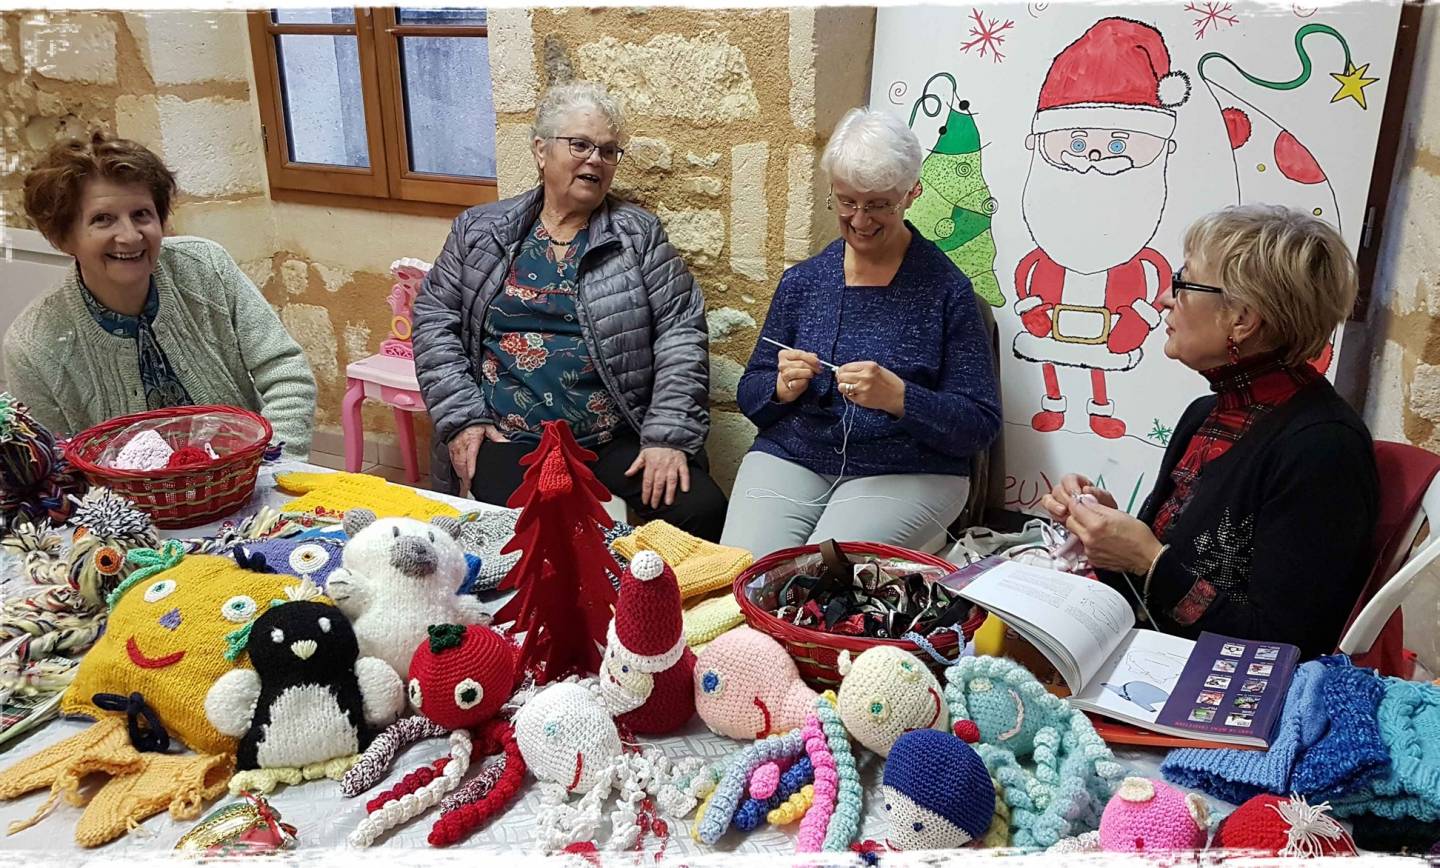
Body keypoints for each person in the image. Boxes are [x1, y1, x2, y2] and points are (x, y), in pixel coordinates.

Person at [1042, 204, 1378, 660]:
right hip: (1150, 656)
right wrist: (1103, 533)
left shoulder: (1323, 447)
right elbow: (1158, 588)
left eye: (1184, 283)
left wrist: (1146, 558)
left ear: (1242, 318)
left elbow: (1285, 644)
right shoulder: (1206, 415)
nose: (1164, 298)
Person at [413, 81, 727, 540]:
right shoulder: (479, 230)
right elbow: (433, 321)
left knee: (702, 507)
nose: (595, 160)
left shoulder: (638, 237)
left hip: (611, 435)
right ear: (541, 151)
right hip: (510, 434)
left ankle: (657, 609)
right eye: (580, 145)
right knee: (545, 537)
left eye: (608, 150)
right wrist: (464, 418)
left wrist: (667, 436)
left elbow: (681, 333)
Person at [720, 107, 1002, 556]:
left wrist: (901, 398)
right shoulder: (805, 282)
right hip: (795, 454)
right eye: (847, 201)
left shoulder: (947, 292)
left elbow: (979, 426)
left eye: (878, 204)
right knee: (742, 574)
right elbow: (751, 393)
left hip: (908, 469)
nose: (860, 219)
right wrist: (779, 388)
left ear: (912, 194)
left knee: (814, 576)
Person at [4, 131, 316, 456]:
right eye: (103, 219)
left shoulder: (205, 266)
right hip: (120, 505)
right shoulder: (33, 349)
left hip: (247, 481)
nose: (130, 235)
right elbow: (51, 468)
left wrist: (278, 463)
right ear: (63, 238)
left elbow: (285, 371)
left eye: (141, 214)